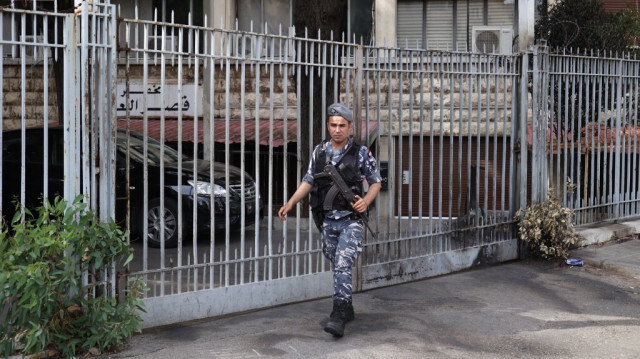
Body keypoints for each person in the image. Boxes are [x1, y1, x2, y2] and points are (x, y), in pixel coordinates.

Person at [278, 102, 382, 338]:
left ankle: (338, 314)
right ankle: (348, 307)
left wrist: (366, 201)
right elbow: (309, 181)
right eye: (333, 125)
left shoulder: (361, 153)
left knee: (344, 262)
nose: (337, 129)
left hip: (351, 220)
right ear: (328, 126)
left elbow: (376, 181)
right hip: (328, 222)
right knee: (336, 264)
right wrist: (291, 202)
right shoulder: (320, 152)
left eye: (342, 125)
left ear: (350, 127)